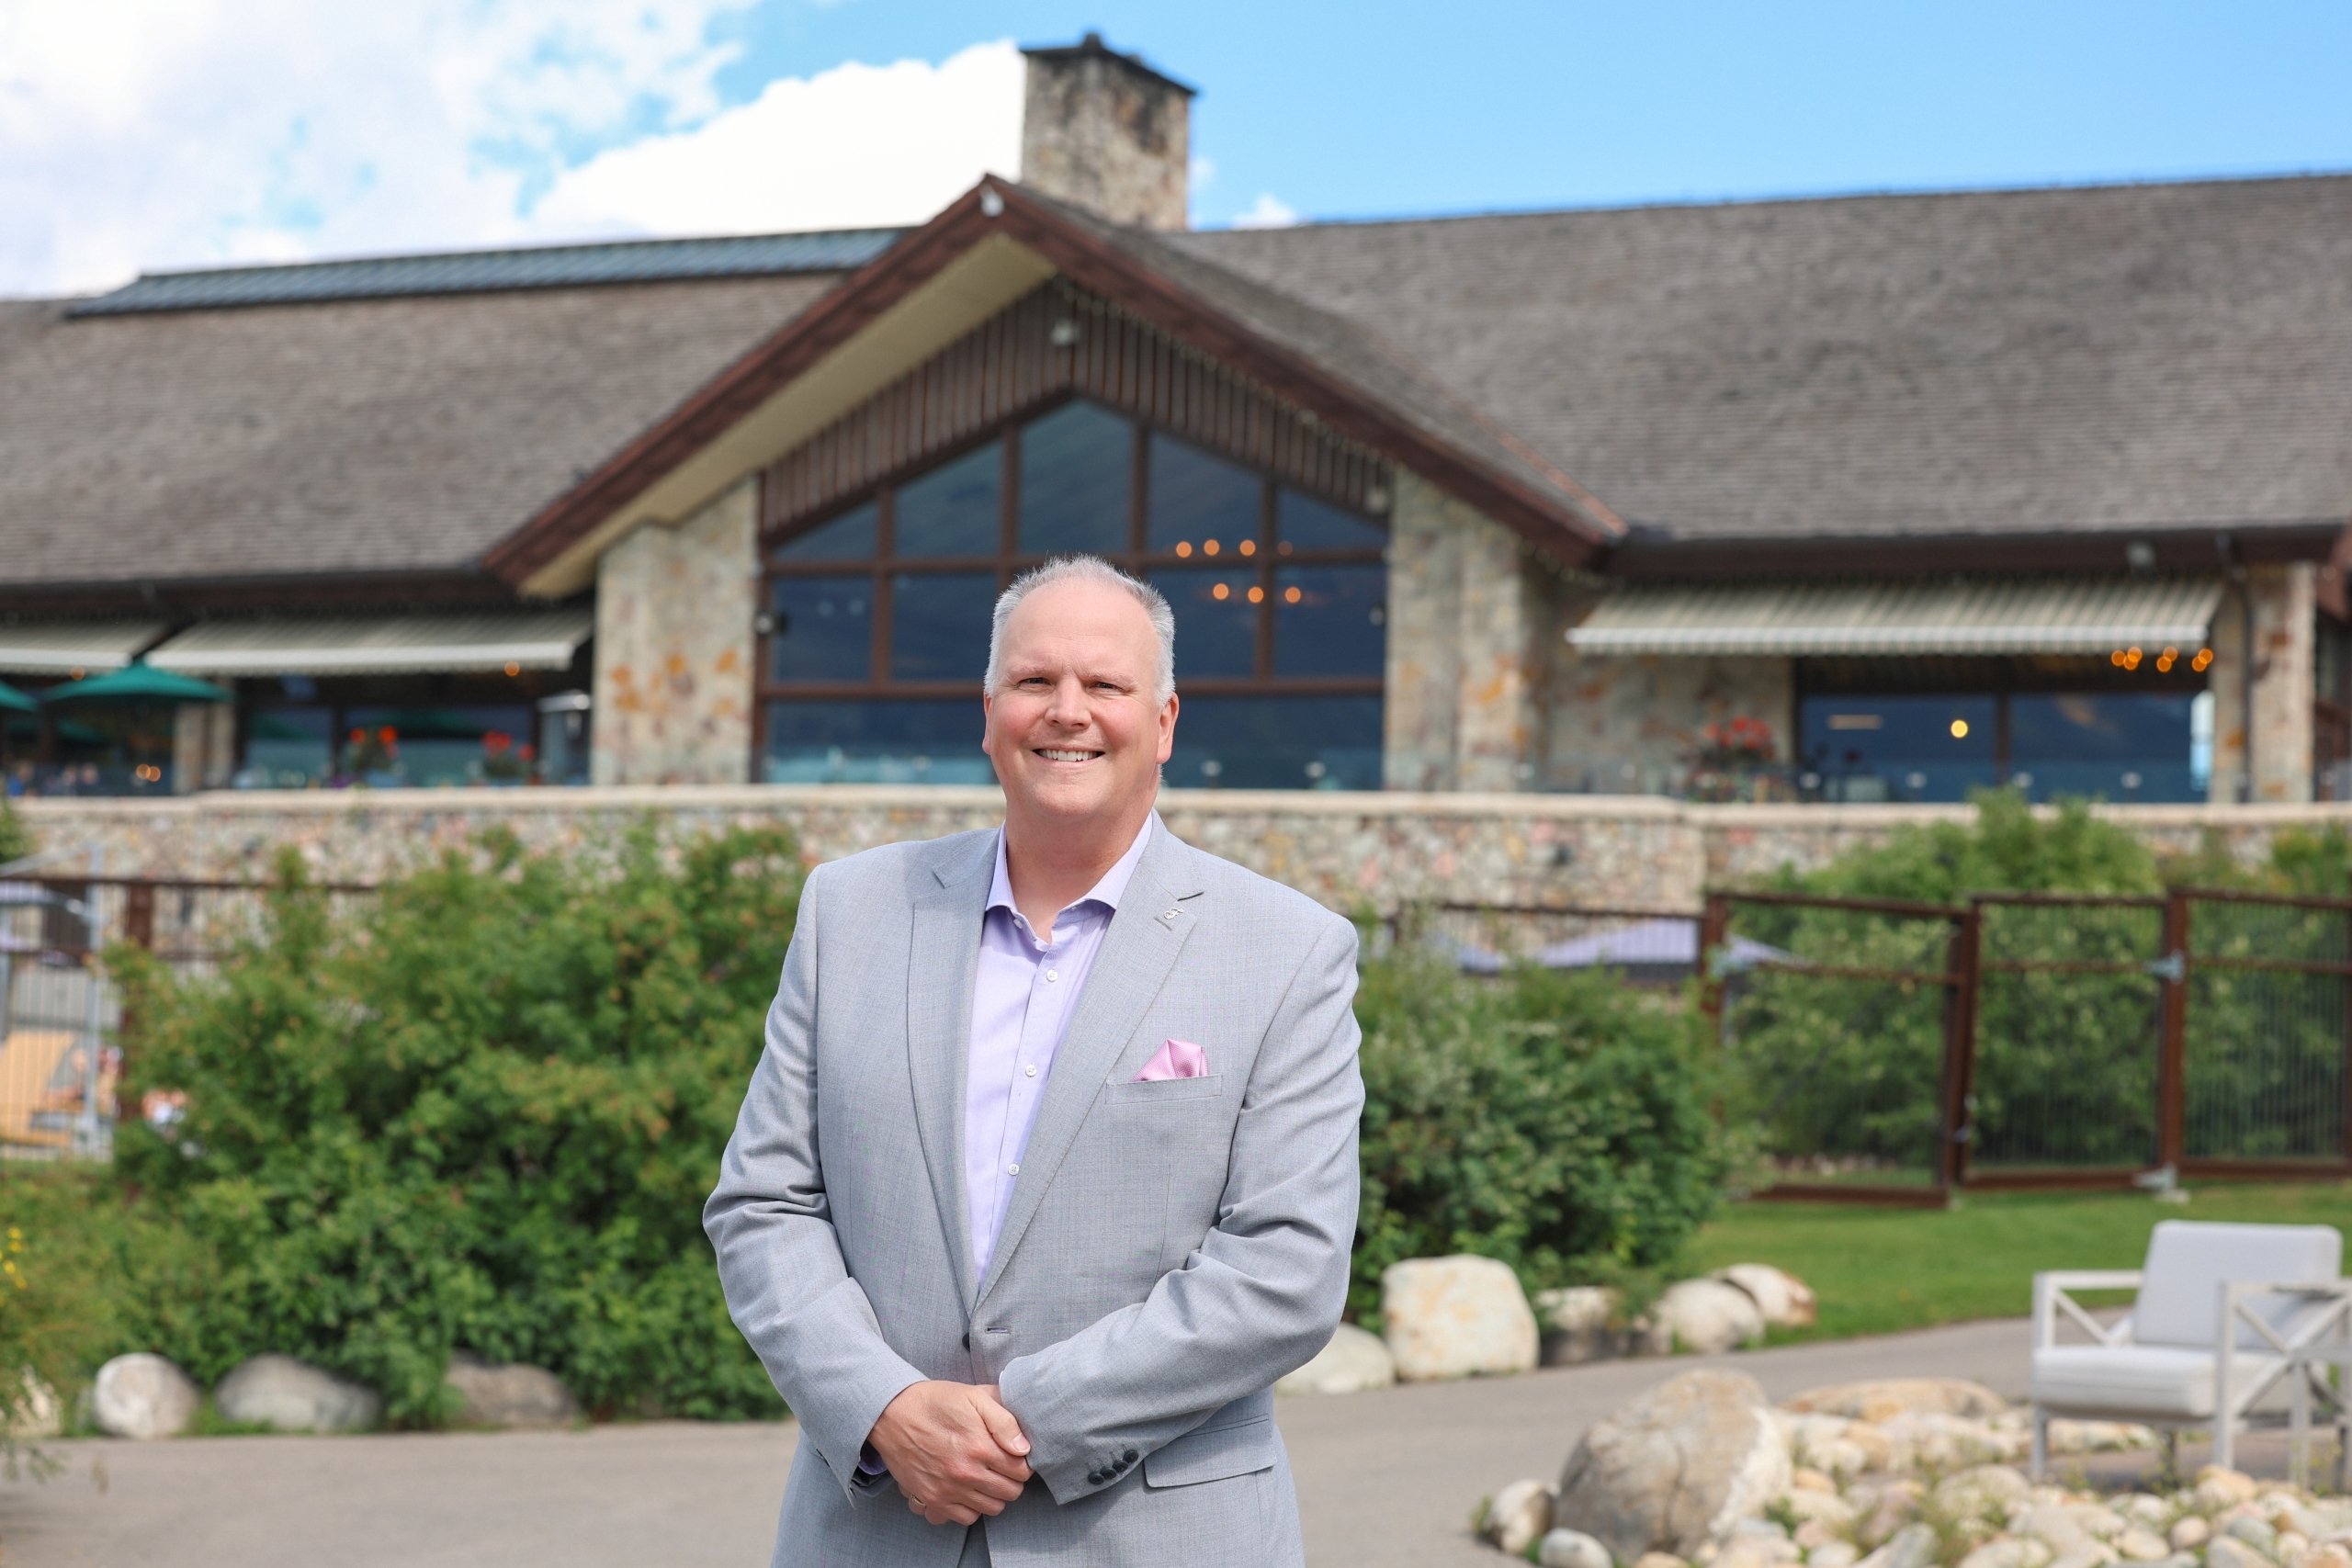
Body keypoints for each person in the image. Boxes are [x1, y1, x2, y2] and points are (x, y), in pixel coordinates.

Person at [706, 555, 1364, 1567]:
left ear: (1165, 722)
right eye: (1033, 682)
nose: (1068, 712)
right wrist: (885, 1408)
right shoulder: (850, 913)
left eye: (1105, 685)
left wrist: (1016, 1424)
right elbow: (765, 1204)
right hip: (874, 1530)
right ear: (988, 713)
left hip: (1159, 1538)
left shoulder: (1287, 950)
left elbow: (1286, 1271)